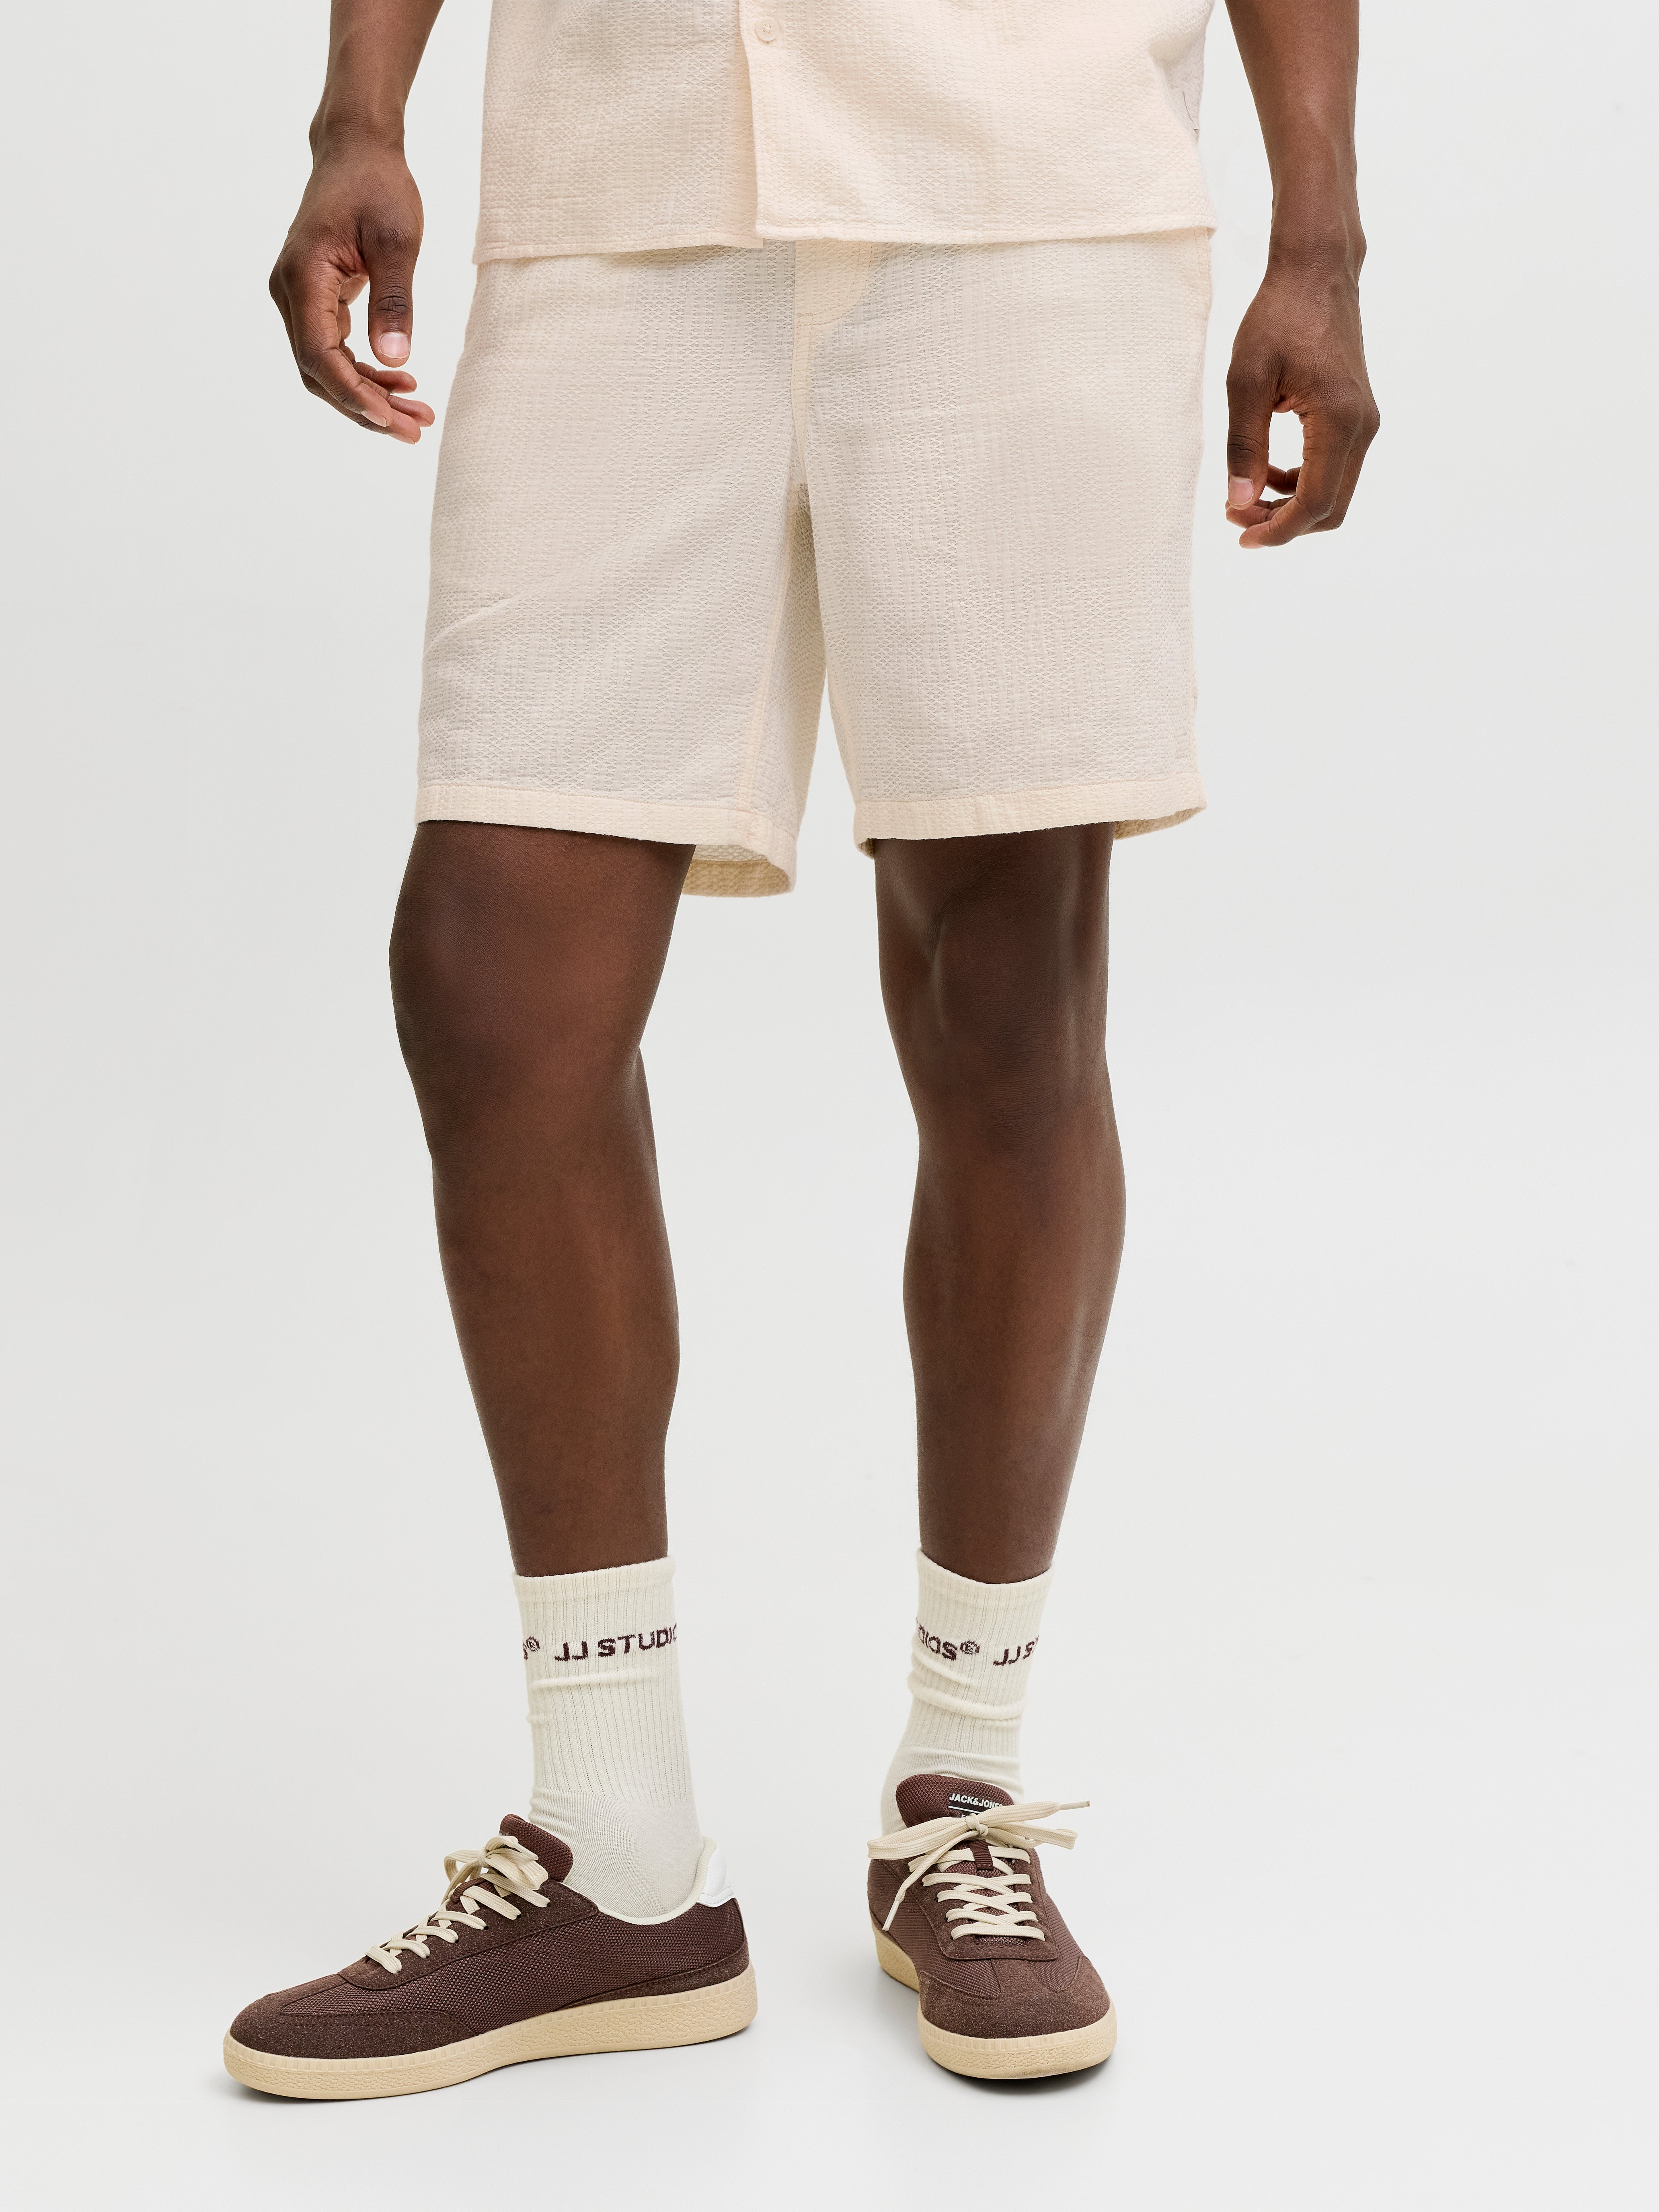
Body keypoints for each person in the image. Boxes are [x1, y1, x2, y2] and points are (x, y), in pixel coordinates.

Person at [226, 0, 1378, 2097]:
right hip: (625, 172)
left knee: (1005, 999)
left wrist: (1324, 231)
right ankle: (618, 1854)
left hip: (1024, 188)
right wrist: (357, 106)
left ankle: (963, 1793)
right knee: (488, 975)